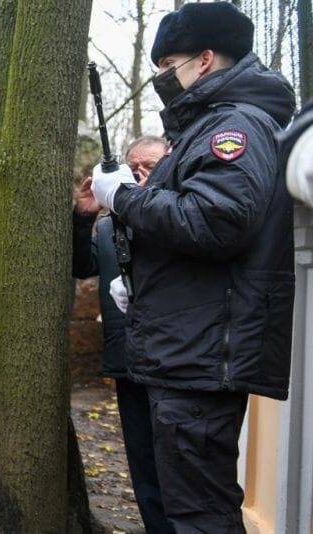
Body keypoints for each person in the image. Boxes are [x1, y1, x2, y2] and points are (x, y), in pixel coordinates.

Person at [89, 3, 296, 532]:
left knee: (200, 515)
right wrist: (141, 288)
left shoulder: (234, 127)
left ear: (204, 61)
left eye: (168, 64)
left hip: (202, 361)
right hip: (191, 349)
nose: (160, 78)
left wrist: (124, 200)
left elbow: (216, 220)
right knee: (188, 507)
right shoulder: (211, 125)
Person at [73, 135, 174, 533]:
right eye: (134, 171)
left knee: (180, 466)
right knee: (143, 467)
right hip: (129, 361)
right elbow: (82, 267)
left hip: (175, 363)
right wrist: (83, 217)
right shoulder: (107, 226)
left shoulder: (180, 216)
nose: (141, 176)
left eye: (151, 168)